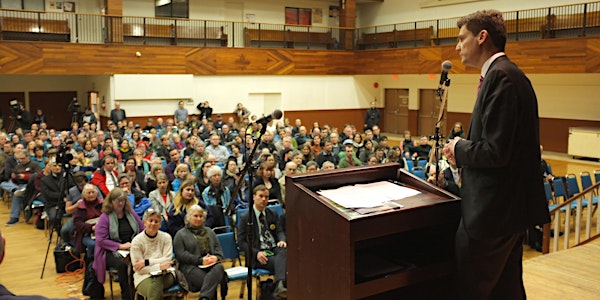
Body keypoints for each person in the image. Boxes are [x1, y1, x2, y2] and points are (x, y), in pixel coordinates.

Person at [443, 10, 550, 299]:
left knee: (473, 289)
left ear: (482, 37)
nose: (457, 46)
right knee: (506, 291)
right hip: (505, 212)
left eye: (462, 38)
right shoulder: (507, 75)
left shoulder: (501, 78)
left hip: (492, 214)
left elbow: (495, 151)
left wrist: (457, 148)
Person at [94, 187, 145, 300]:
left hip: (132, 247)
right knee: (123, 265)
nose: (121, 203)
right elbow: (101, 240)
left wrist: (137, 243)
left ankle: (140, 291)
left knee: (141, 260)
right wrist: (120, 246)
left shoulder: (130, 213)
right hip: (110, 250)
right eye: (118, 200)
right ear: (111, 201)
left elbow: (142, 229)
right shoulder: (105, 217)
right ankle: (127, 295)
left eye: (123, 200)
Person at [237, 185, 287, 298]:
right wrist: (256, 253)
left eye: (266, 197)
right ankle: (279, 290)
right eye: (261, 196)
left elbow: (279, 231)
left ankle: (279, 286)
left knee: (284, 251)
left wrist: (282, 240)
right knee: (286, 264)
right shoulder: (246, 217)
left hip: (274, 248)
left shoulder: (272, 213)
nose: (264, 199)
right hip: (258, 253)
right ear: (254, 197)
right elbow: (241, 242)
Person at [174, 204, 226, 300]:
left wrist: (216, 258)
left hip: (211, 266)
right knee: (211, 282)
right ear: (188, 217)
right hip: (191, 267)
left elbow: (218, 250)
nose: (198, 218)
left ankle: (203, 298)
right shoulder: (180, 234)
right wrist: (200, 260)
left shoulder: (210, 231)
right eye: (195, 216)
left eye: (201, 216)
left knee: (219, 267)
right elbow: (181, 255)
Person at [130, 209, 175, 300]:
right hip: (143, 276)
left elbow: (167, 259)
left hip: (166, 274)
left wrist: (146, 262)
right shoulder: (136, 241)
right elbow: (138, 268)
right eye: (150, 220)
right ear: (144, 222)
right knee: (155, 285)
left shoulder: (166, 237)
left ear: (160, 224)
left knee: (157, 282)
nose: (153, 224)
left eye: (156, 221)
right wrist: (159, 266)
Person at [73, 184, 103, 258]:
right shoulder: (80, 207)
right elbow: (77, 223)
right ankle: (90, 263)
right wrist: (91, 228)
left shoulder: (102, 203)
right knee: (93, 244)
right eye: (88, 193)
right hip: (86, 234)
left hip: (103, 231)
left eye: (93, 192)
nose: (91, 194)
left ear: (96, 193)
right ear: (84, 195)